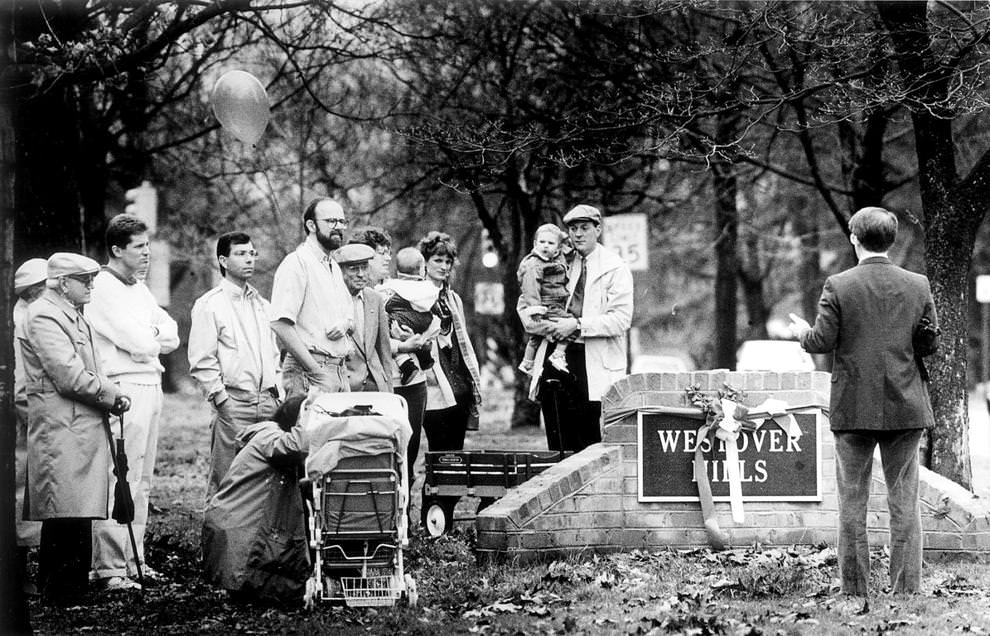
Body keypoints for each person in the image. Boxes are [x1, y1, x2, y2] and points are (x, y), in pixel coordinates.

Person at [789, 206, 937, 597]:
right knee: (905, 499)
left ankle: (854, 588)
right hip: (906, 404)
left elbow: (821, 342)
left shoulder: (839, 285)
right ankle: (906, 588)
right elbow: (929, 343)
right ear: (890, 241)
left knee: (852, 501)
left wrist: (802, 333)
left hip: (853, 406)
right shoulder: (918, 284)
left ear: (855, 239)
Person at [19, 253, 131, 606]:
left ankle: (71, 590)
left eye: (92, 279)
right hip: (62, 429)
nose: (92, 286)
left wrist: (108, 393)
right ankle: (61, 594)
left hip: (77, 427)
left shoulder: (69, 315)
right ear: (63, 283)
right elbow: (68, 376)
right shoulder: (45, 316)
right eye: (85, 280)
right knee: (64, 513)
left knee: (76, 511)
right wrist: (111, 395)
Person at [87, 213, 180, 591]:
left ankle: (133, 559)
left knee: (141, 480)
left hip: (150, 382)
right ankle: (109, 567)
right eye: (139, 247)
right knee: (120, 475)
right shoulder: (102, 287)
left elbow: (170, 334)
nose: (146, 254)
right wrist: (150, 338)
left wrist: (150, 335)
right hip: (124, 386)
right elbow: (137, 341)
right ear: (116, 249)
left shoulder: (138, 288)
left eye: (147, 246)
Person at [522, 205, 633, 452]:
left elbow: (621, 319)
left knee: (587, 439)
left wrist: (579, 325)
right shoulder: (558, 261)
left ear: (598, 229)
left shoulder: (615, 267)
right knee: (557, 434)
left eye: (585, 228)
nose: (578, 234)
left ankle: (586, 490)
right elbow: (531, 297)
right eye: (573, 229)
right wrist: (537, 321)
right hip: (555, 355)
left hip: (591, 360)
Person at [188, 231, 281, 500]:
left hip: (267, 402)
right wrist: (221, 399)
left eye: (252, 253)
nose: (249, 259)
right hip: (233, 403)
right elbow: (202, 359)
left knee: (268, 483)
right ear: (223, 260)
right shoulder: (210, 305)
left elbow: (274, 354)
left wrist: (277, 394)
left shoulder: (263, 305)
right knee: (226, 483)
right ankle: (222, 542)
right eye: (240, 253)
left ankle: (259, 542)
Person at [202, 396, 310, 605]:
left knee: (291, 585)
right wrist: (308, 418)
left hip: (236, 531)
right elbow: (296, 447)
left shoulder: (266, 434)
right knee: (289, 591)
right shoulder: (270, 436)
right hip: (240, 537)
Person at [417, 232, 483, 524]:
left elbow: (462, 341)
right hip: (433, 383)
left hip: (458, 383)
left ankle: (447, 515)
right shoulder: (417, 295)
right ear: (425, 262)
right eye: (437, 260)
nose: (443, 266)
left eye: (447, 261)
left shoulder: (452, 298)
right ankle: (430, 515)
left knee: (455, 454)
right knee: (438, 452)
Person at [270, 197, 354, 398]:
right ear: (311, 225)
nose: (339, 227)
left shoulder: (331, 265)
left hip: (339, 370)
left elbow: (349, 318)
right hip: (310, 372)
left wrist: (345, 324)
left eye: (342, 222)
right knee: (308, 430)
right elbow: (279, 323)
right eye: (331, 221)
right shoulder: (296, 263)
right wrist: (316, 371)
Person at [12, 257, 48, 594]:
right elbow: (21, 386)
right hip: (24, 423)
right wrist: (35, 421)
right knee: (20, 493)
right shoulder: (24, 321)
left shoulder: (26, 316)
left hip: (28, 418)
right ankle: (18, 576)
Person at [335, 243, 393, 393]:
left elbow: (384, 350)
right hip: (345, 387)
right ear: (339, 271)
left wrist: (389, 391)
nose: (361, 274)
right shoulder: (331, 301)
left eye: (364, 267)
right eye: (354, 269)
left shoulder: (375, 298)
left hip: (376, 385)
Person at [377, 247, 440, 384]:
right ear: (422, 269)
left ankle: (406, 365)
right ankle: (425, 359)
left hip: (401, 320)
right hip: (424, 320)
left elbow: (384, 300)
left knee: (385, 326)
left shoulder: (394, 286)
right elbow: (435, 309)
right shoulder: (427, 288)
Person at [516, 223, 571, 375]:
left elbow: (567, 249)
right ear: (535, 244)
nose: (545, 246)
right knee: (571, 326)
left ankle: (527, 363)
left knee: (536, 337)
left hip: (553, 302)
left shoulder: (556, 257)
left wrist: (563, 237)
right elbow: (530, 287)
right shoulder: (534, 264)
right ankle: (558, 355)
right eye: (542, 242)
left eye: (551, 243)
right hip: (548, 303)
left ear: (558, 248)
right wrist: (535, 308)